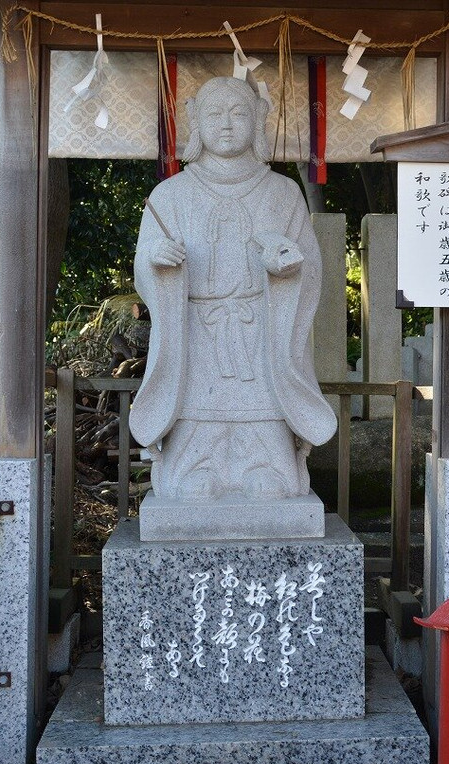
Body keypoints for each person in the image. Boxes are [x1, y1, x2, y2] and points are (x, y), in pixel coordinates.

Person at [129, 76, 336, 502]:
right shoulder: (169, 196)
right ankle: (194, 468)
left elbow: (309, 268)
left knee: (264, 417)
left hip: (259, 330)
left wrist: (285, 269)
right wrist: (158, 261)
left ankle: (267, 467)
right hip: (197, 331)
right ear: (196, 124)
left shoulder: (284, 193)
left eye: (239, 113)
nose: (227, 124)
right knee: (196, 424)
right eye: (214, 113)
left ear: (258, 121)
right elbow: (144, 265)